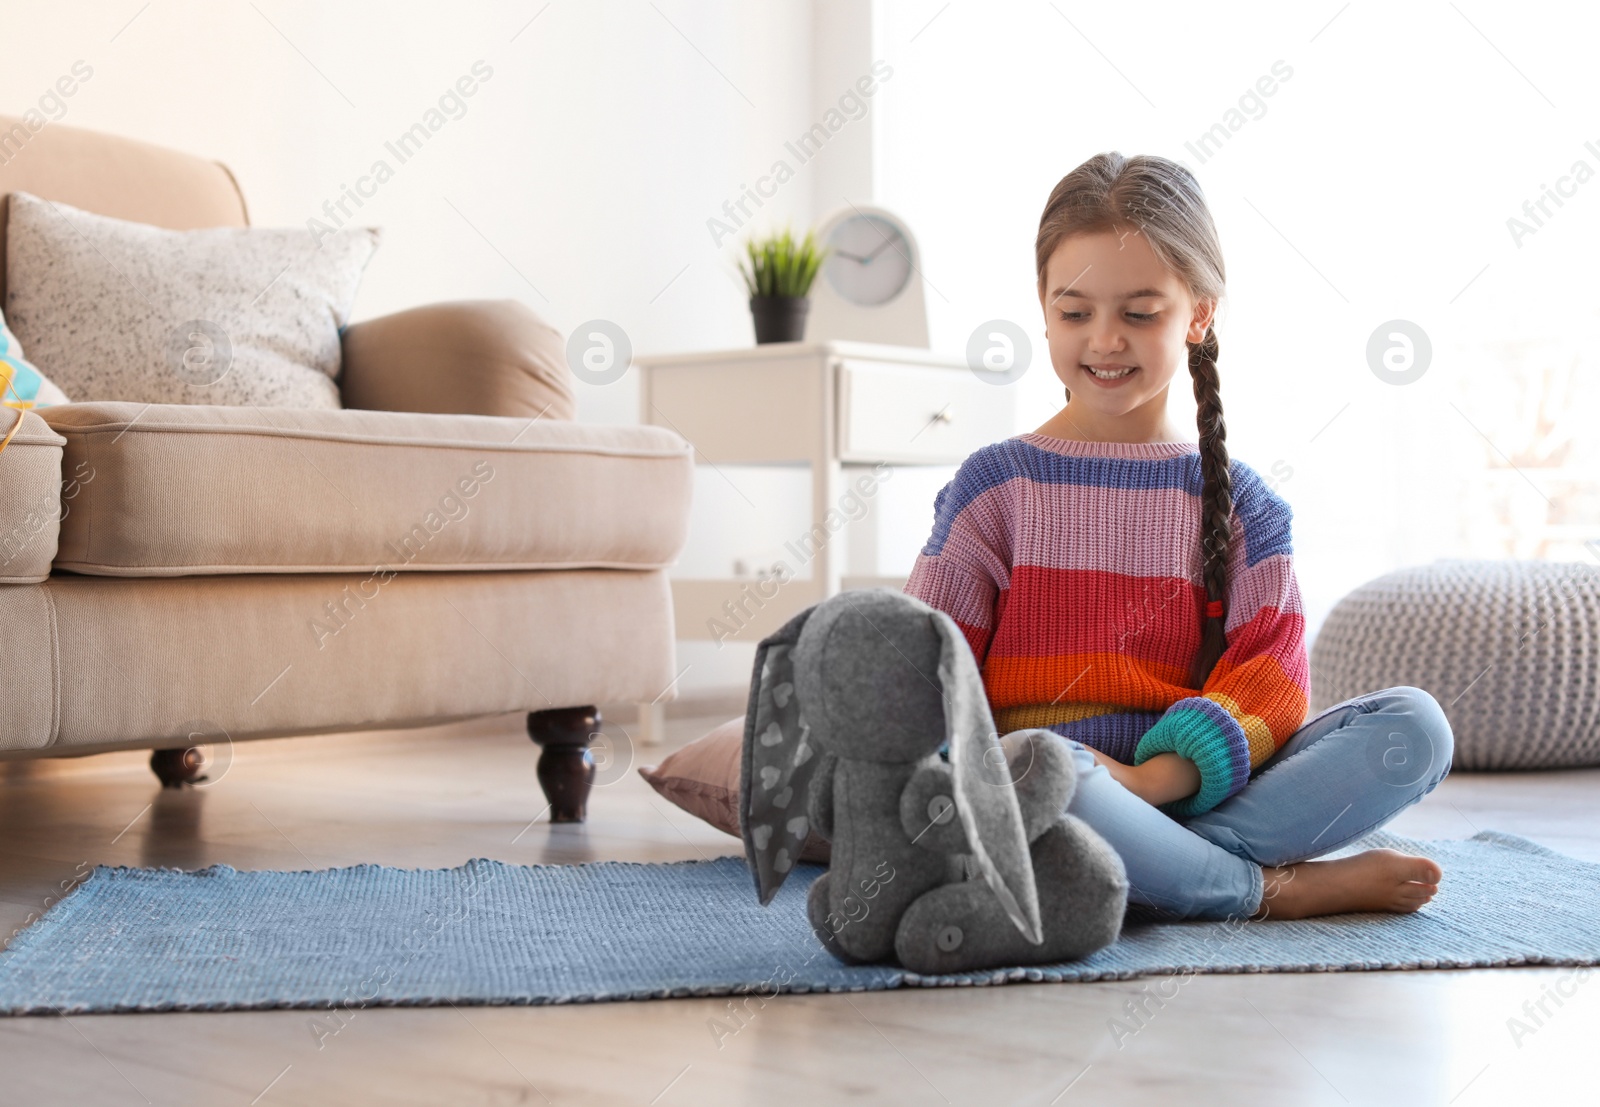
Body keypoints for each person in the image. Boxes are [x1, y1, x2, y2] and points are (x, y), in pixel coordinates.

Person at [904, 152, 1453, 922]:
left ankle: (1162, 872)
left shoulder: (1245, 505)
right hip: (1054, 793)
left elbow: (1273, 675)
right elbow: (928, 673)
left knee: (1415, 725)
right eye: (1074, 312)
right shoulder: (994, 487)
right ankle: (1266, 888)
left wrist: (1154, 780)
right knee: (1049, 771)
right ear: (1042, 305)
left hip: (1194, 788)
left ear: (1198, 314)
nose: (1104, 340)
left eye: (1139, 312)